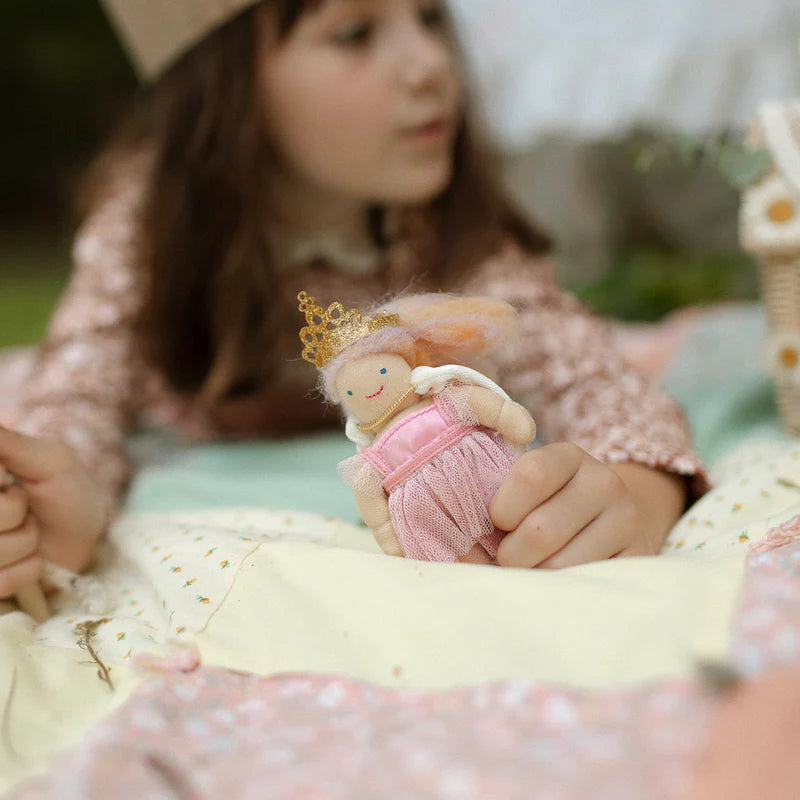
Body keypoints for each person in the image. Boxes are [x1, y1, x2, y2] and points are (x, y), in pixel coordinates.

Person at [0, 0, 706, 601]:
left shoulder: (451, 230)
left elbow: (585, 373)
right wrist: (62, 497)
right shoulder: (153, 216)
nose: (429, 64)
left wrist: (635, 492)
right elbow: (78, 386)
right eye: (354, 33)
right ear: (225, 80)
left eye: (429, 17)